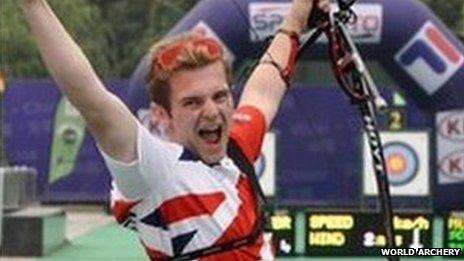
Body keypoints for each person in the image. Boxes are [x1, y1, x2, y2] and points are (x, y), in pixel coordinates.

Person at [18, 0, 329, 259]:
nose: (212, 111)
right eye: (192, 103)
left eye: (220, 96)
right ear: (162, 115)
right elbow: (90, 99)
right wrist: (34, 5)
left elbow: (262, 90)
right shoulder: (154, 170)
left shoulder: (236, 147)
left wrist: (296, 17)